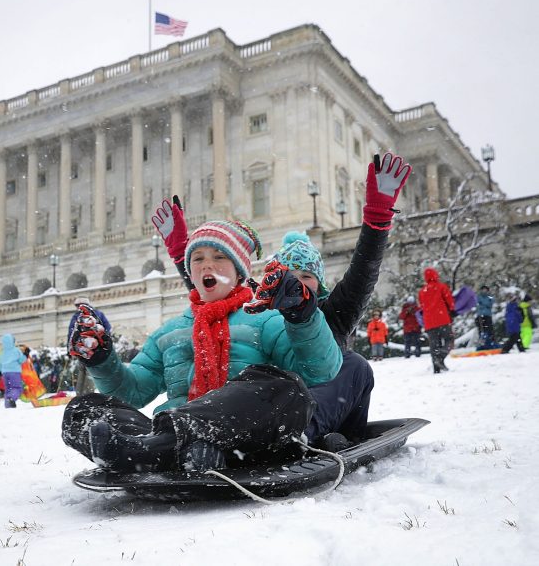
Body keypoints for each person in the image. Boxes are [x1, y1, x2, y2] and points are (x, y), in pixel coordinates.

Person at [144, 152, 412, 450]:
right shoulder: (264, 312)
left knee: (354, 365)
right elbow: (215, 291)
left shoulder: (333, 312)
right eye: (290, 275)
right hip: (276, 413)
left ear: (320, 284)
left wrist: (377, 219)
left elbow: (363, 274)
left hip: (321, 412)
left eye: (306, 276)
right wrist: (184, 253)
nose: (298, 282)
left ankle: (317, 436)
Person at [63, 219, 344, 472]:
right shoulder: (170, 332)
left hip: (248, 440)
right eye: (198, 258)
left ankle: (148, 451)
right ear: (191, 272)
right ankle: (177, 449)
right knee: (83, 409)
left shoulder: (265, 320)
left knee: (285, 388)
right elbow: (132, 392)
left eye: (219, 257)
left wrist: (302, 316)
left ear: (238, 271)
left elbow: (320, 370)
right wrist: (101, 360)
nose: (207, 265)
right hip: (171, 429)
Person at [418, 267, 456, 374]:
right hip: (442, 319)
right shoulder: (441, 287)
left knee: (434, 345)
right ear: (436, 275)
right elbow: (449, 300)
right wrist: (452, 310)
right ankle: (441, 356)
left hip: (429, 322)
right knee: (450, 340)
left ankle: (436, 368)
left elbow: (421, 306)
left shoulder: (422, 291)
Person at [0, 334, 26, 408]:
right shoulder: (16, 350)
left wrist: (3, 370)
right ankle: (12, 398)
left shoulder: (2, 353)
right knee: (17, 388)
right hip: (14, 372)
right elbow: (22, 360)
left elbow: (0, 365)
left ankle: (8, 405)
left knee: (8, 389)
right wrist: (25, 355)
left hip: (5, 373)